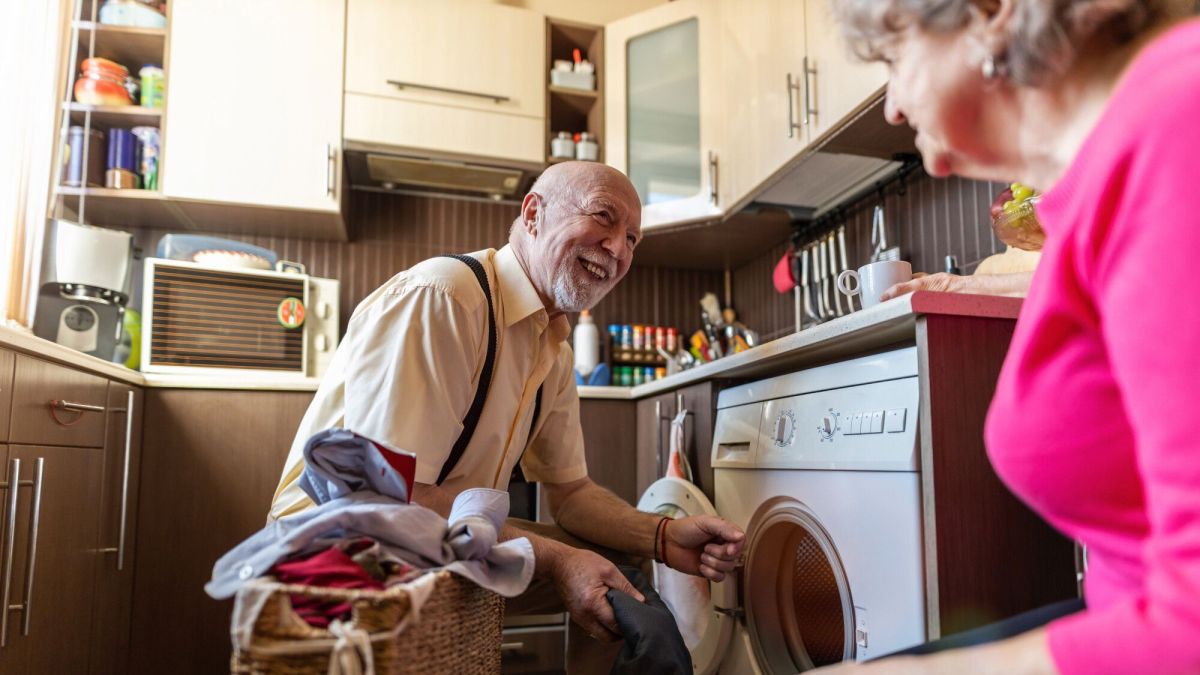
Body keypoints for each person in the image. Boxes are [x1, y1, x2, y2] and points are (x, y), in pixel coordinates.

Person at [821, 1, 1200, 673]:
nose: (892, 108)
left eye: (892, 59)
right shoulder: (1100, 175)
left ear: (990, 13)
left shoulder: (1176, 123)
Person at [269, 161, 745, 673]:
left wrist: (664, 536)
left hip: (438, 535)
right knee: (584, 564)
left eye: (633, 238)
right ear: (534, 213)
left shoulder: (553, 345)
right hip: (341, 545)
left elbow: (573, 496)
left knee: (617, 572)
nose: (619, 249)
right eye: (604, 218)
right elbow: (387, 497)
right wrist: (558, 559)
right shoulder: (447, 297)